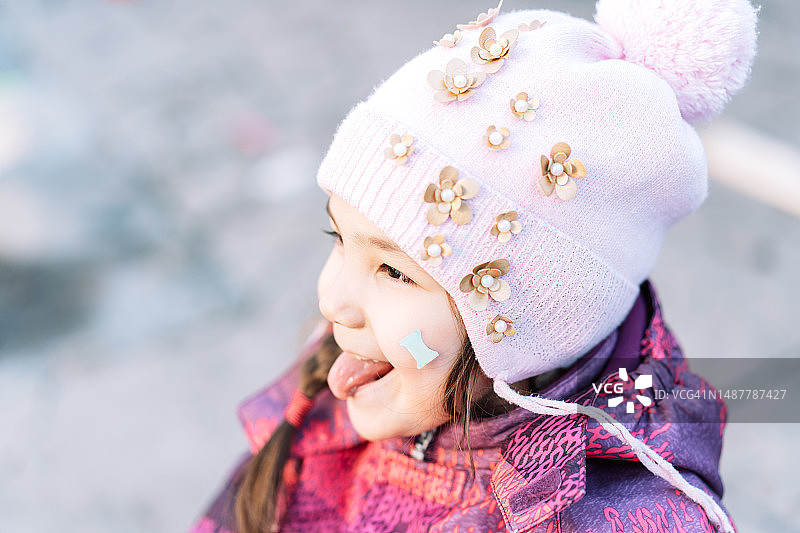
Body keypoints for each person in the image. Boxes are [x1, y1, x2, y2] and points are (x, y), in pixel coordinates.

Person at [189, 1, 757, 531]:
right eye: (339, 238)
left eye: (393, 272)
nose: (333, 300)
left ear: (527, 325)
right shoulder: (361, 372)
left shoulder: (607, 515)